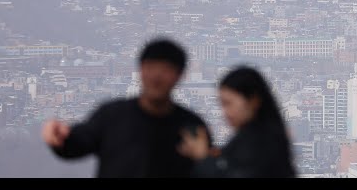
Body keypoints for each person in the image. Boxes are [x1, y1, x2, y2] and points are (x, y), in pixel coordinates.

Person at [41, 38, 212, 178]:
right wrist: (60, 138)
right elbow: (79, 143)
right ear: (140, 70)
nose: (156, 77)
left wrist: (204, 160)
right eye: (151, 68)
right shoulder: (112, 116)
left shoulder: (191, 127)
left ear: (180, 75)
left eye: (165, 70)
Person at [178, 66, 296, 178]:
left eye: (228, 103)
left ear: (253, 101)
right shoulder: (253, 136)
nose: (225, 112)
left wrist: (203, 158)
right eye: (222, 105)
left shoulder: (263, 141)